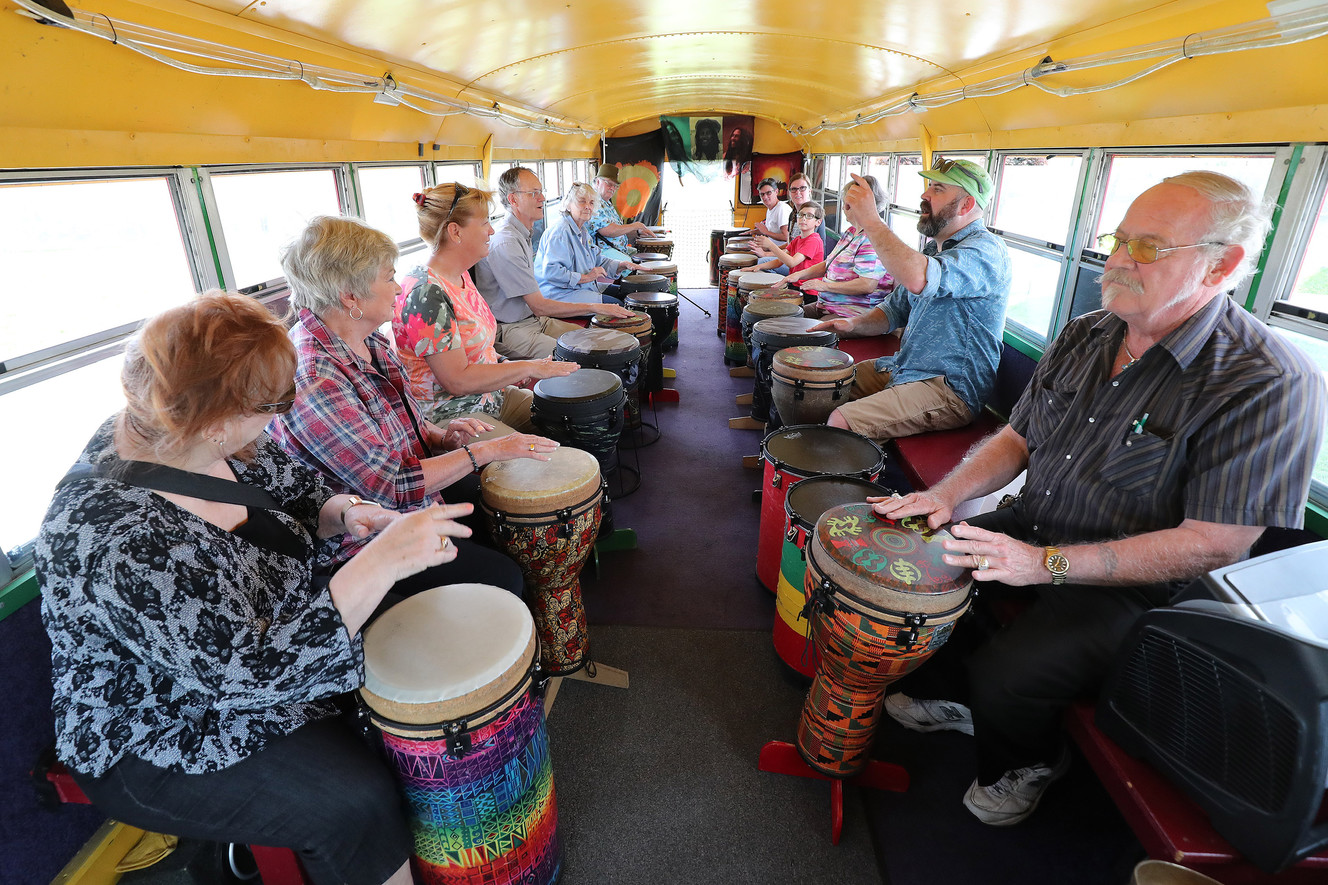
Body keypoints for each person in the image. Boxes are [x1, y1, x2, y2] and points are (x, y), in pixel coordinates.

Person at [874, 171, 1326, 827]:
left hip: (1145, 587)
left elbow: (1215, 542)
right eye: (1118, 239)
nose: (1116, 259)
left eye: (1148, 247)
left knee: (1010, 670)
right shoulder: (1090, 331)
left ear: (1221, 264)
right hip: (1040, 522)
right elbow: (1017, 436)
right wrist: (946, 496)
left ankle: (1026, 760)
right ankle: (959, 700)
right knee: (929, 567)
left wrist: (1044, 565)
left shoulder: (1269, 381)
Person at [36, 292, 479, 885]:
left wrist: (348, 514)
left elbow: (299, 490)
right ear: (215, 420)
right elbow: (245, 676)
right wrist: (377, 565)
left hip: (273, 640)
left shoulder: (211, 436)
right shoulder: (109, 533)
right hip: (164, 724)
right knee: (355, 801)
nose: (282, 414)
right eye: (274, 403)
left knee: (420, 658)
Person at [269, 214, 561, 577]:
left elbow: (405, 425)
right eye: (389, 278)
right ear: (350, 295)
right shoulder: (315, 378)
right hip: (366, 540)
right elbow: (392, 485)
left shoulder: (367, 339)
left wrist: (443, 437)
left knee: (509, 515)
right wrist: (487, 449)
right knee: (504, 574)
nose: (397, 288)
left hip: (412, 497)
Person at [807, 158, 1011, 442]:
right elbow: (893, 311)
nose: (924, 195)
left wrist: (871, 221)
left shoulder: (986, 252)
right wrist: (852, 324)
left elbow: (919, 278)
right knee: (823, 384)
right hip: (906, 367)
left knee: (841, 420)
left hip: (948, 389)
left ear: (966, 205)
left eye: (938, 189)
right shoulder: (933, 250)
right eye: (928, 187)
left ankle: (842, 481)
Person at [386, 188, 579, 429]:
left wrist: (505, 365)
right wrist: (529, 366)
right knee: (547, 459)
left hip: (491, 397)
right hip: (455, 416)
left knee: (572, 416)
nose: (491, 231)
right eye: (485, 223)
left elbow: (475, 348)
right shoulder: (426, 293)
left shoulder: (460, 275)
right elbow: (457, 380)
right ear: (455, 232)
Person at [472, 168, 633, 359]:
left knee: (597, 339)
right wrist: (595, 305)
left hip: (535, 319)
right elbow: (540, 305)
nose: (542, 198)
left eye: (541, 191)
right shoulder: (507, 242)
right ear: (513, 200)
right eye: (534, 193)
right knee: (582, 355)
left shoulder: (523, 234)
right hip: (510, 328)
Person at [769, 174, 892, 318]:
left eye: (847, 202)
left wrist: (824, 286)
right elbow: (828, 263)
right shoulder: (851, 232)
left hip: (852, 314)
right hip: (828, 306)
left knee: (790, 329)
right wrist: (798, 275)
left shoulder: (872, 237)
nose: (844, 207)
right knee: (779, 315)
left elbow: (867, 285)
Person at [535, 182, 644, 304]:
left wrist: (621, 265)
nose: (588, 206)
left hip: (580, 287)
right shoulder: (560, 232)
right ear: (568, 205)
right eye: (582, 201)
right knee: (618, 305)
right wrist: (587, 277)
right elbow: (552, 272)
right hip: (559, 294)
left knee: (628, 292)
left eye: (591, 202)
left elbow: (597, 259)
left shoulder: (582, 230)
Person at [588, 163, 652, 259]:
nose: (613, 188)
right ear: (597, 182)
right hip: (601, 252)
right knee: (629, 263)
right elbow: (608, 231)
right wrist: (635, 225)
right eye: (609, 184)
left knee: (637, 254)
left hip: (614, 249)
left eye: (615, 186)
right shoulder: (593, 202)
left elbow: (619, 230)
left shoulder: (606, 203)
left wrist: (637, 232)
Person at [752, 203, 825, 277]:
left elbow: (792, 262)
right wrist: (758, 266)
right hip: (795, 283)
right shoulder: (797, 239)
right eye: (801, 215)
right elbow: (779, 261)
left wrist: (770, 245)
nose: (803, 218)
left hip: (807, 287)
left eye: (809, 216)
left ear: (818, 222)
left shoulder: (814, 241)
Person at [752, 177, 792, 242]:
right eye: (762, 194)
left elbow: (786, 237)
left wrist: (766, 232)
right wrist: (755, 232)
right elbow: (772, 231)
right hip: (770, 247)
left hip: (780, 250)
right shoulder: (770, 209)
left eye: (768, 193)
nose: (765, 197)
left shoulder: (782, 208)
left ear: (776, 191)